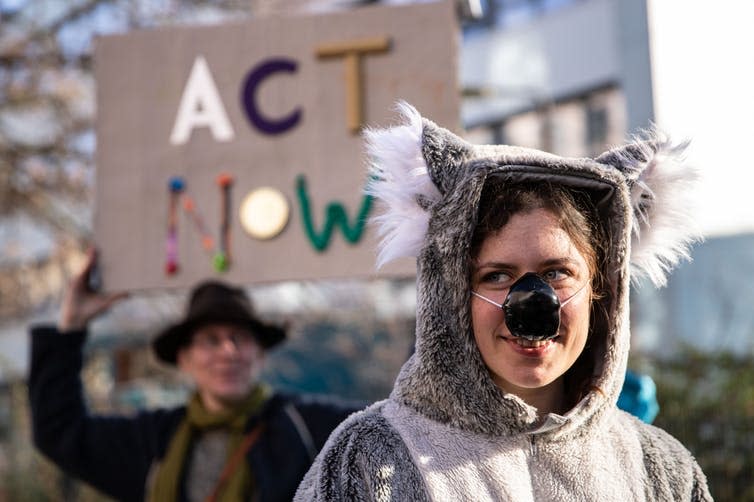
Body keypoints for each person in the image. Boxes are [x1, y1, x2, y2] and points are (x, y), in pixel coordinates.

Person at [295, 103, 712, 501]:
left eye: (556, 273)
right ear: (453, 295)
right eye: (497, 276)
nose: (532, 302)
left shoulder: (660, 468)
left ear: (600, 289)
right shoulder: (371, 459)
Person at [29, 250, 361, 502]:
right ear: (185, 359)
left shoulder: (306, 427)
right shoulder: (155, 438)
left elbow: (394, 425)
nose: (227, 351)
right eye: (211, 340)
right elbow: (60, 433)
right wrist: (70, 328)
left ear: (259, 355)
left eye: (239, 338)